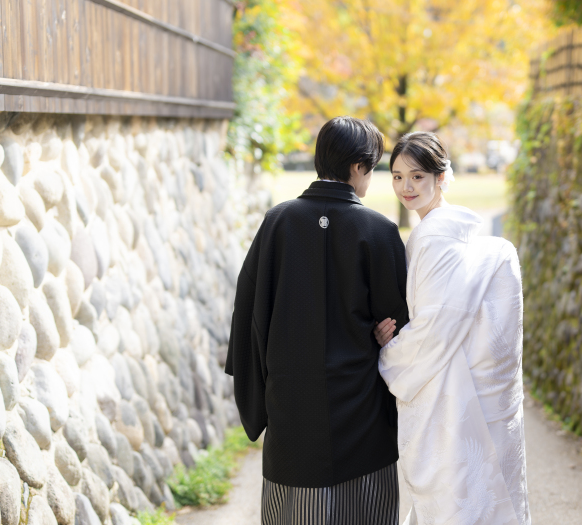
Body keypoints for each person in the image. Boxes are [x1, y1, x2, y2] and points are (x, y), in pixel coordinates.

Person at [226, 116, 409, 525]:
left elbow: (249, 313)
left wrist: (260, 396)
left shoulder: (277, 222)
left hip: (292, 408)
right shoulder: (379, 231)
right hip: (362, 411)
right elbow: (401, 322)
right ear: (359, 166)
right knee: (365, 512)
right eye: (374, 167)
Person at [374, 132, 530, 525]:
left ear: (440, 178)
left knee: (455, 498)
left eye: (417, 177)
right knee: (477, 495)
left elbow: (434, 327)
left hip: (450, 380)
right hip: (470, 378)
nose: (405, 187)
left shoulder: (435, 237)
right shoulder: (449, 231)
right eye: (396, 177)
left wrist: (389, 351)